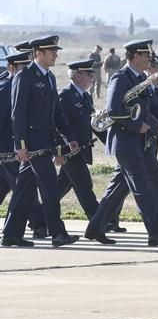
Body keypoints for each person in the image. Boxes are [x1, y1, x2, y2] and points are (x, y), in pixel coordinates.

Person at [84, 39, 158, 246]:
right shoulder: (120, 77)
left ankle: (95, 228)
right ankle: (156, 232)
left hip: (138, 142)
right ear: (136, 56)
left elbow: (156, 109)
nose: (150, 59)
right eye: (146, 55)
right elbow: (113, 110)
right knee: (141, 187)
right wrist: (136, 125)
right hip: (126, 141)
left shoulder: (141, 79)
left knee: (118, 189)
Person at [3, 35, 80, 247]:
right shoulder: (24, 76)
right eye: (52, 51)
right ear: (38, 53)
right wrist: (20, 146)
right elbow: (17, 114)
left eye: (56, 51)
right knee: (50, 188)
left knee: (24, 190)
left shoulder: (49, 77)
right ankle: (57, 233)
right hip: (32, 145)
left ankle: (11, 234)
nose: (56, 54)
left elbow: (56, 113)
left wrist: (69, 137)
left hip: (45, 143)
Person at [0, 51, 45, 236]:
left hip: (16, 148)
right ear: (11, 68)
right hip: (7, 150)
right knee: (25, 187)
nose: (25, 71)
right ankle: (40, 225)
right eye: (21, 68)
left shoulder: (25, 86)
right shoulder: (5, 89)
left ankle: (35, 225)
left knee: (8, 186)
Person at [56, 59, 100, 221]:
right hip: (70, 150)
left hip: (82, 149)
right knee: (84, 186)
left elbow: (92, 123)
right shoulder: (65, 96)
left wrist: (110, 141)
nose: (92, 79)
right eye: (89, 75)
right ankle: (98, 222)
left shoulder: (86, 97)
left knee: (60, 187)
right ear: (78, 76)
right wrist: (62, 149)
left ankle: (39, 218)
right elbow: (58, 125)